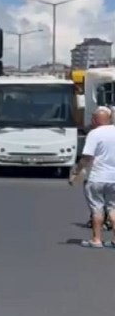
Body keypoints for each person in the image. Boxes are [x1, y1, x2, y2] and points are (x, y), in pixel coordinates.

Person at [70, 106, 115, 248]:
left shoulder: (94, 134)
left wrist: (76, 172)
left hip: (97, 177)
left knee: (97, 208)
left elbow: (87, 157)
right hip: (113, 178)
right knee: (113, 208)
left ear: (96, 119)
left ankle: (96, 239)